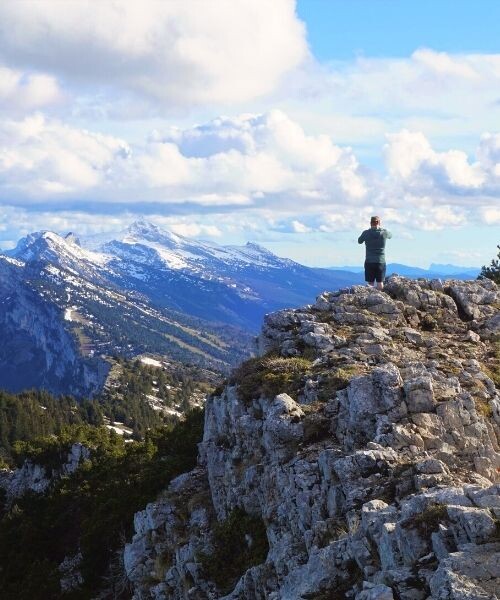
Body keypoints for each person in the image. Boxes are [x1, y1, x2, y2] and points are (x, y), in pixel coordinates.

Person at [358, 216, 392, 290]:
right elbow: (390, 235)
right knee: (380, 282)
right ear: (379, 223)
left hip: (369, 261)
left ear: (370, 223)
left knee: (370, 283)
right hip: (380, 261)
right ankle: (380, 299)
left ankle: (371, 299)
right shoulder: (384, 232)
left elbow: (359, 241)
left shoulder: (366, 233)